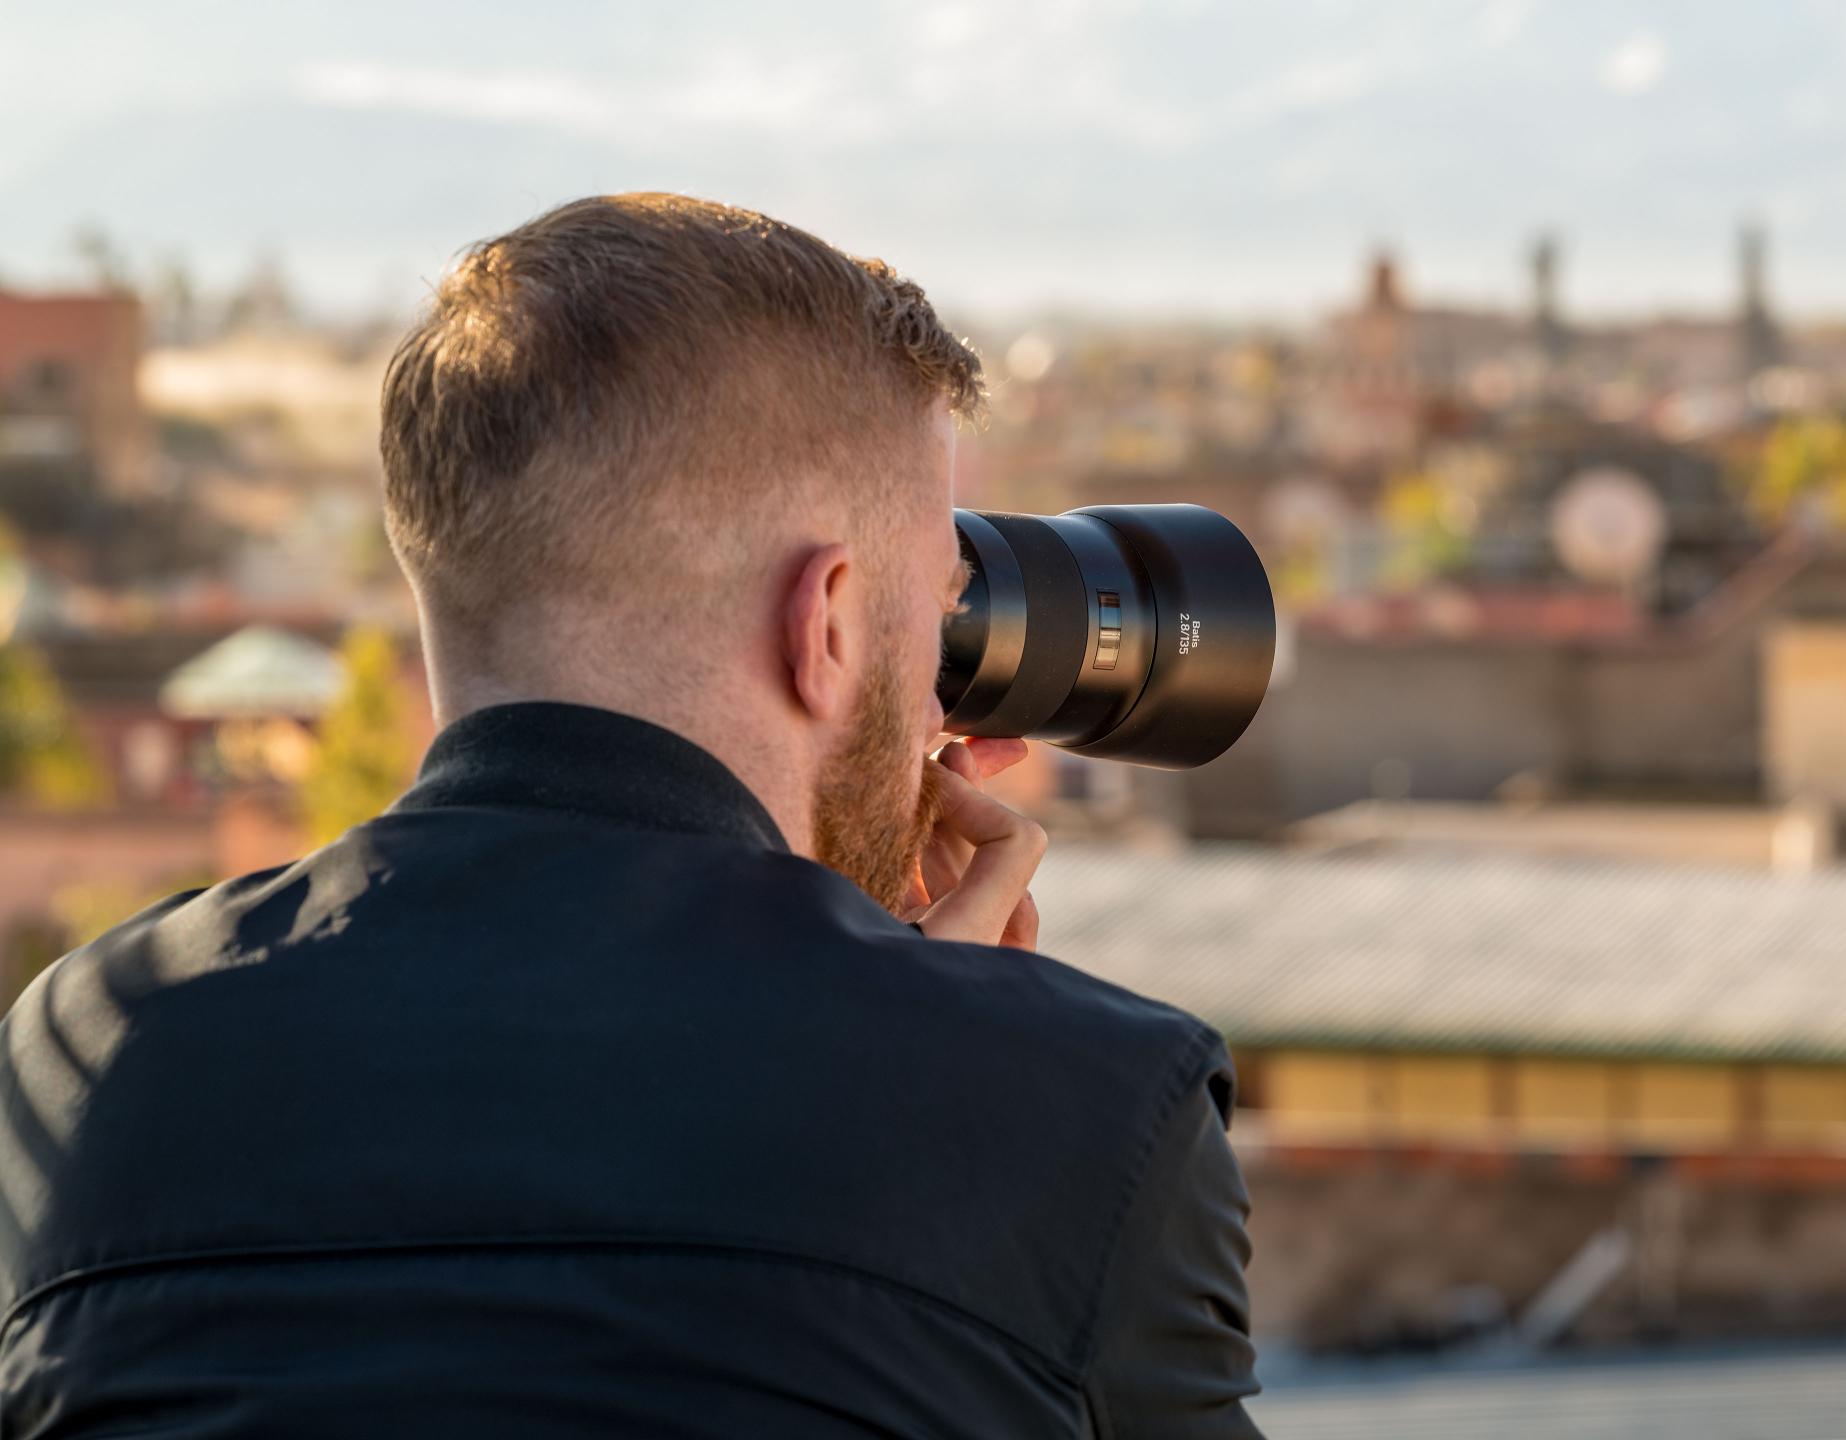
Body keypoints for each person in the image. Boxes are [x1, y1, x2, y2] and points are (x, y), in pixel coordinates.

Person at [0, 194, 1261, 1437]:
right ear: (826, 624)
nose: (948, 683)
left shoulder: (84, 1054)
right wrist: (955, 1070)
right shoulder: (1091, 1115)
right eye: (938, 607)